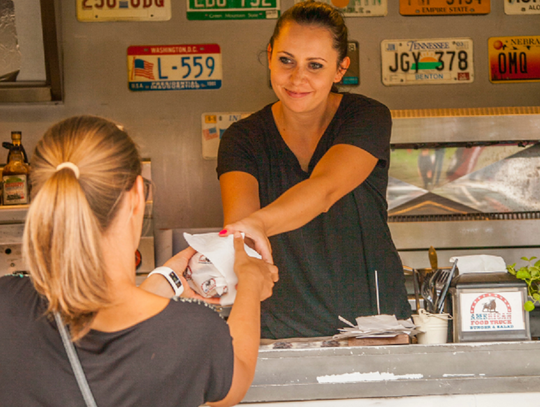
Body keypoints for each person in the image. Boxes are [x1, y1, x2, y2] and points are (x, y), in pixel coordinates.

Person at [0, 116, 278, 407]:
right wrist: (249, 284)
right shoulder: (193, 333)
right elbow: (237, 376)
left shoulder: (6, 304)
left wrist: (165, 280)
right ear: (137, 194)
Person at [217, 1, 411, 339]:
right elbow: (242, 235)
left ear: (340, 70)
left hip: (374, 325)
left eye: (315, 65)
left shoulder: (366, 117)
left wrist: (257, 224)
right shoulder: (242, 138)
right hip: (278, 330)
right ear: (270, 55)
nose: (297, 78)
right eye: (286, 60)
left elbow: (325, 189)